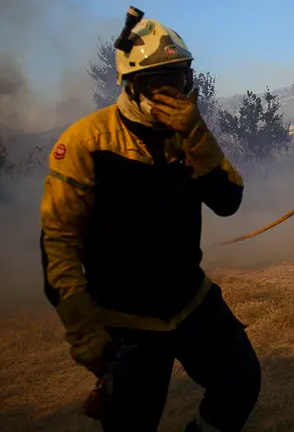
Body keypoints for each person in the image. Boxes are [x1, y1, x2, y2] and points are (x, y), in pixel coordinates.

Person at [39, 8, 260, 431]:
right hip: (125, 319)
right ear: (130, 86)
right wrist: (83, 329)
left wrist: (196, 136)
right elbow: (58, 242)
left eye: (176, 80)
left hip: (191, 300)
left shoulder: (188, 134)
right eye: (156, 83)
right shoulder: (86, 143)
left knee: (240, 381)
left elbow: (228, 200)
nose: (168, 96)